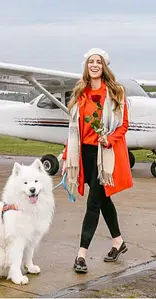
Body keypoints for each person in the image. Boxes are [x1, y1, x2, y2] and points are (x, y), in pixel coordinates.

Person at [62, 48, 133, 273]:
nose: (94, 65)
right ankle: (118, 242)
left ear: (104, 67)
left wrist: (109, 139)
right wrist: (66, 156)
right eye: (91, 61)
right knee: (103, 201)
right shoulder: (80, 93)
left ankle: (81, 255)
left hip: (106, 156)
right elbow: (74, 129)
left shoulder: (115, 91)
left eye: (98, 62)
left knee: (93, 203)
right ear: (86, 66)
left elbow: (123, 125)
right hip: (86, 155)